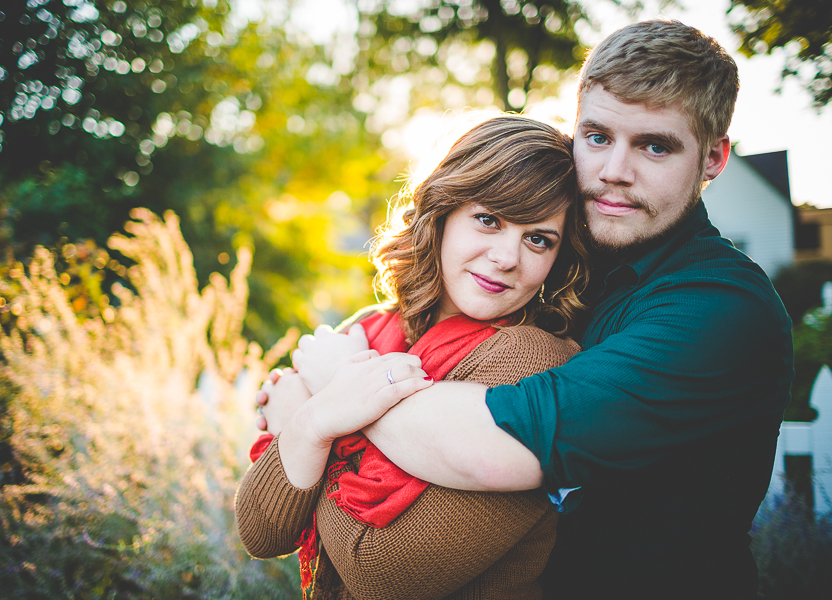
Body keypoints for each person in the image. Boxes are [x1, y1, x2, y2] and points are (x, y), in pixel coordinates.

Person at [288, 20, 794, 600]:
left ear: (712, 159)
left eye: (655, 146)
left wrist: (334, 389)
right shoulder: (564, 262)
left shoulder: (720, 309)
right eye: (598, 137)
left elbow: (499, 445)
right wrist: (327, 366)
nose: (613, 172)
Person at [235, 115, 591, 599]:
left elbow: (380, 575)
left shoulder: (533, 361)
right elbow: (260, 532)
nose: (508, 257)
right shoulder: (370, 327)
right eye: (489, 219)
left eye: (538, 238)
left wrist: (311, 419)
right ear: (443, 212)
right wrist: (318, 419)